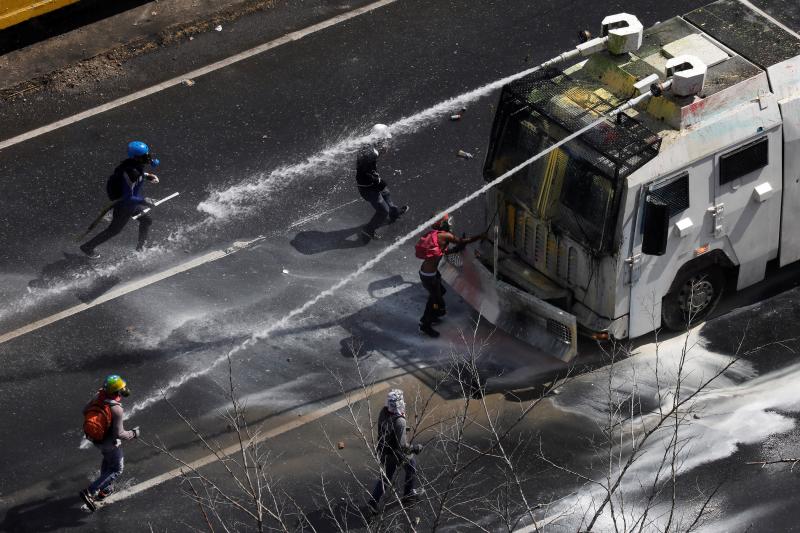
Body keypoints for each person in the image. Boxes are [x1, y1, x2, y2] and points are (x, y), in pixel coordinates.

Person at [80, 141, 161, 258]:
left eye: (147, 154)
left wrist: (147, 176)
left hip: (130, 203)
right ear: (136, 158)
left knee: (146, 221)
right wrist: (145, 201)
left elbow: (138, 172)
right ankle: (87, 247)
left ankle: (140, 248)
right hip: (124, 205)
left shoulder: (131, 164)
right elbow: (127, 197)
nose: (147, 158)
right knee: (114, 230)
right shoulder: (131, 173)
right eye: (144, 156)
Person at [415, 213, 485, 338]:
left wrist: (456, 249)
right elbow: (463, 241)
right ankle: (425, 324)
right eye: (448, 222)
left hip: (428, 273)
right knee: (435, 301)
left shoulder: (436, 236)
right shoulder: (446, 235)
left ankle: (435, 313)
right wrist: (481, 236)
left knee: (440, 292)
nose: (450, 224)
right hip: (429, 277)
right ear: (443, 224)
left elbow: (445, 252)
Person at [80, 374, 140, 510]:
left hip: (96, 440)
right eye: (121, 389)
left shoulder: (98, 396)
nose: (123, 390)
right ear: (116, 392)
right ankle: (90, 491)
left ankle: (105, 489)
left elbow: (84, 411)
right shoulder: (116, 409)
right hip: (109, 444)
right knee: (117, 469)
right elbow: (120, 434)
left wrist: (100, 426)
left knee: (108, 461)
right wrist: (134, 433)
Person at [369, 389, 423, 513]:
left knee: (386, 478)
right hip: (396, 453)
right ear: (399, 404)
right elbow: (402, 445)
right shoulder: (400, 421)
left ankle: (372, 502)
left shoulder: (384, 412)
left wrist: (402, 430)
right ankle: (408, 495)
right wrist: (415, 448)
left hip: (384, 450)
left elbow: (388, 428)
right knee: (412, 467)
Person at [356, 124, 408, 242]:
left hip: (372, 182)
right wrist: (378, 181)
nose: (385, 140)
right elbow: (365, 172)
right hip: (368, 187)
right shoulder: (370, 152)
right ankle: (368, 230)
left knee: (386, 195)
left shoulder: (370, 146)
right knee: (383, 211)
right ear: (379, 137)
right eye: (384, 138)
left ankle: (394, 214)